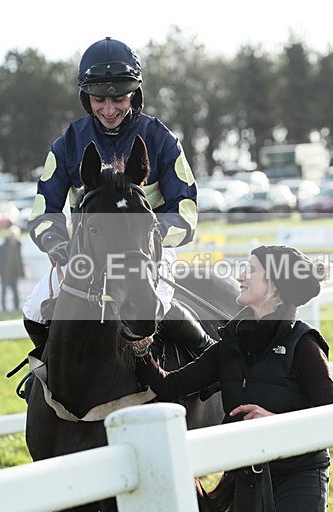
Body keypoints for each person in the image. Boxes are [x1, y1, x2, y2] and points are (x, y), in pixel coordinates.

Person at [19, 37, 207, 399]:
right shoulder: (67, 143)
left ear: (134, 94)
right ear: (86, 97)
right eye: (99, 99)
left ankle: (207, 358)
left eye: (118, 98)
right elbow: (43, 213)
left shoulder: (161, 138)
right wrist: (58, 246)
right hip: (87, 251)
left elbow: (185, 211)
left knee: (158, 305)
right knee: (34, 309)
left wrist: (149, 238)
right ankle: (48, 368)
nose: (108, 108)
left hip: (146, 249)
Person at [133, 245, 333, 512]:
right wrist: (141, 350)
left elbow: (330, 416)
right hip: (247, 478)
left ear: (274, 285)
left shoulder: (304, 344)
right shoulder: (229, 345)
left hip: (298, 477)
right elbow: (171, 386)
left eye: (251, 270)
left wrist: (277, 421)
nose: (240, 277)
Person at [0, 225, 25, 312]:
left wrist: (22, 271)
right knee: (4, 292)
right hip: (4, 273)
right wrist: (1, 268)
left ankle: (16, 308)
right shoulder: (2, 247)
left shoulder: (18, 246)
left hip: (14, 273)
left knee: (15, 292)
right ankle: (3, 309)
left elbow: (19, 260)